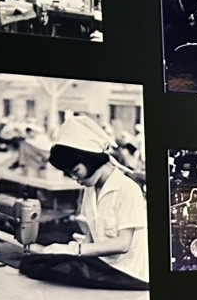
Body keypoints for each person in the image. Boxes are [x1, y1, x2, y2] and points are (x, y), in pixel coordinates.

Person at [26, 114, 150, 287]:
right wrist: (63, 252)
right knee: (36, 263)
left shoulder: (128, 189)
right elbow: (91, 237)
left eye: (76, 170)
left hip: (128, 273)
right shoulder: (90, 189)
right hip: (103, 266)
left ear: (91, 159)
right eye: (69, 173)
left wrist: (74, 250)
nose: (74, 178)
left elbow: (123, 243)